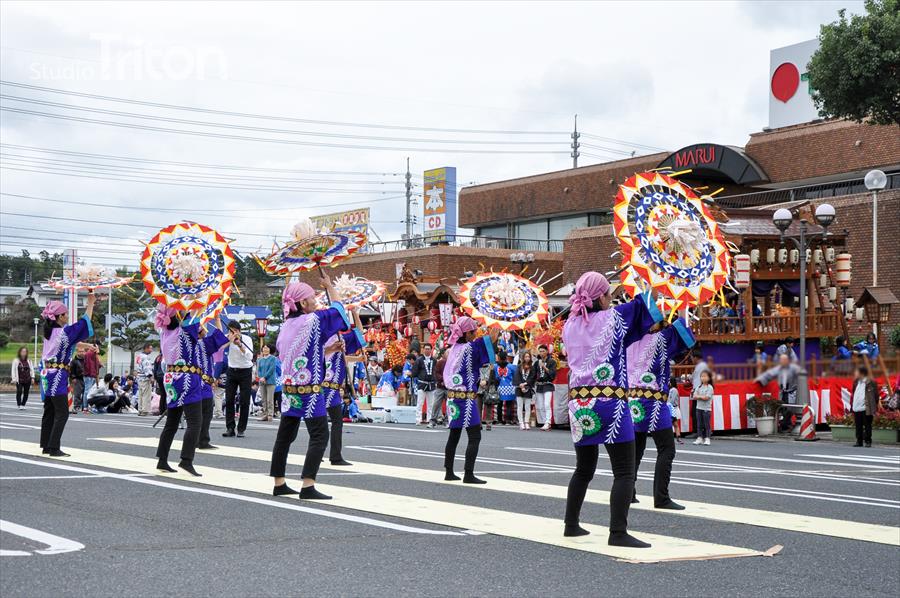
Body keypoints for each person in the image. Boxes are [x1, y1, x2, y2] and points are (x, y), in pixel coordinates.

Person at [561, 271, 662, 548]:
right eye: (609, 294)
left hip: (579, 405)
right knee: (624, 471)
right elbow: (651, 308)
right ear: (601, 296)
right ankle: (617, 532)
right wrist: (650, 275)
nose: (611, 299)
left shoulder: (569, 325)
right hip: (610, 403)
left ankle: (571, 524)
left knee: (583, 468)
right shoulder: (614, 318)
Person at [270, 278, 351, 500]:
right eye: (312, 298)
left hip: (290, 390)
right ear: (303, 303)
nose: (316, 302)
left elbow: (300, 353)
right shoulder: (312, 320)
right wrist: (330, 287)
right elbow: (339, 312)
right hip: (309, 391)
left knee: (285, 436)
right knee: (319, 435)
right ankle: (308, 484)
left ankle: (279, 482)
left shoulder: (286, 326)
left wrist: (328, 350)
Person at [628, 317, 695, 509]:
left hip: (633, 400)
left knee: (636, 449)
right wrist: (678, 319)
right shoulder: (660, 339)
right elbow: (688, 338)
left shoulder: (632, 340)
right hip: (653, 400)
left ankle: (629, 492)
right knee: (667, 448)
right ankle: (661, 497)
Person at [154, 305, 217, 477]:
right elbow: (194, 317)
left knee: (172, 422)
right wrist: (196, 301)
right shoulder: (185, 331)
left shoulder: (166, 333)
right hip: (187, 379)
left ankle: (162, 459)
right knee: (195, 422)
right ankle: (186, 460)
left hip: (172, 379)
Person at [38, 294, 97, 457]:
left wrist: (87, 346)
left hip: (46, 373)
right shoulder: (64, 333)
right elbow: (83, 324)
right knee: (62, 411)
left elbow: (71, 341)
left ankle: (46, 445)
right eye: (65, 314)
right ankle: (54, 447)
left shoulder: (50, 332)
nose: (68, 317)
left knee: (49, 409)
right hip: (57, 374)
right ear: (60, 317)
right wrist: (90, 303)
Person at [442, 317, 498, 484]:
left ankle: (449, 471)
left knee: (454, 435)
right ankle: (468, 474)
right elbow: (492, 338)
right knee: (475, 436)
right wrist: (497, 319)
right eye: (473, 332)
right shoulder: (470, 348)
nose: (475, 335)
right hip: (466, 399)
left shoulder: (454, 348)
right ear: (466, 333)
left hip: (452, 398)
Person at [322, 311, 366, 466]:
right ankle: (330, 455)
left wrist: (355, 311)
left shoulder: (341, 338)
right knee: (326, 422)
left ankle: (332, 455)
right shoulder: (323, 337)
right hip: (324, 385)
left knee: (333, 422)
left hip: (333, 387)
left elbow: (359, 333)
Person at [197, 319, 229, 451]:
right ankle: (202, 440)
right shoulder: (204, 344)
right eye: (204, 328)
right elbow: (219, 334)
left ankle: (195, 440)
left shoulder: (189, 343)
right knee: (206, 413)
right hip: (203, 384)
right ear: (200, 332)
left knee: (195, 415)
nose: (206, 330)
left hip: (191, 381)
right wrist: (217, 319)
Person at [755, 353, 804, 432]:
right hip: (783, 392)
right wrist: (761, 380)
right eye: (781, 360)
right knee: (782, 409)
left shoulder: (794, 368)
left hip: (792, 392)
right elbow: (769, 374)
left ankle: (785, 424)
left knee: (790, 409)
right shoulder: (779, 368)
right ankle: (785, 425)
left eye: (784, 360)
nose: (782, 361)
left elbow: (799, 376)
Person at [223, 321, 254, 438]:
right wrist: (230, 341)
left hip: (245, 371)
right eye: (230, 331)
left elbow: (250, 356)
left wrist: (239, 344)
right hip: (231, 371)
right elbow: (219, 348)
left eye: (234, 331)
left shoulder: (246, 339)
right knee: (229, 399)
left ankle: (241, 429)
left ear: (239, 331)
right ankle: (230, 428)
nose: (232, 333)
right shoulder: (227, 338)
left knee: (244, 401)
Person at [850, 366, 878, 447]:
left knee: (867, 425)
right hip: (856, 406)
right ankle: (859, 441)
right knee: (858, 425)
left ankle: (868, 441)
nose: (855, 374)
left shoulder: (870, 382)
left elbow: (876, 395)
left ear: (861, 373)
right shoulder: (856, 382)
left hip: (866, 407)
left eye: (856, 372)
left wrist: (873, 406)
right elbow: (854, 394)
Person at [411, 343, 437, 425]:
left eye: (428, 349)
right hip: (422, 383)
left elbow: (436, 371)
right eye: (425, 349)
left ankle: (429, 419)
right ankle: (418, 419)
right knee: (420, 403)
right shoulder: (419, 360)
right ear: (423, 350)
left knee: (431, 403)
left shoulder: (434, 360)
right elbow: (414, 372)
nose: (427, 350)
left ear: (431, 350)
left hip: (431, 384)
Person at [534, 345, 557, 430]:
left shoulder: (552, 362)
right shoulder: (537, 362)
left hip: (548, 384)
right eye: (540, 351)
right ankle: (545, 422)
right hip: (539, 385)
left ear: (547, 351)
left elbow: (553, 375)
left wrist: (544, 367)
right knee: (540, 406)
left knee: (547, 404)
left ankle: (548, 422)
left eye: (543, 351)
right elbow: (533, 374)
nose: (541, 353)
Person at [491, 352, 517, 426]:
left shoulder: (495, 366)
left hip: (500, 387)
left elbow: (493, 376)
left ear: (498, 358)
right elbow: (515, 376)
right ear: (506, 357)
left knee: (499, 404)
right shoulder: (512, 366)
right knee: (509, 404)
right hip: (509, 387)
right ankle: (508, 420)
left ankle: (499, 420)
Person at [513, 351, 536, 430]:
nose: (527, 358)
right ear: (523, 358)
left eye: (528, 357)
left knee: (527, 407)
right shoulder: (519, 366)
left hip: (528, 388)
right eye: (525, 357)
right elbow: (516, 377)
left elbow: (532, 378)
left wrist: (525, 384)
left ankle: (526, 422)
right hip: (519, 389)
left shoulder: (532, 367)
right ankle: (521, 422)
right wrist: (520, 385)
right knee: (520, 406)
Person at [256, 344, 279, 422]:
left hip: (270, 381)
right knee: (263, 399)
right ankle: (265, 414)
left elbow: (271, 369)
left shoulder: (273, 358)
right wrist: (261, 377)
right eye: (264, 348)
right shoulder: (259, 360)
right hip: (262, 381)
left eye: (267, 348)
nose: (265, 349)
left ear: (270, 350)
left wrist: (265, 377)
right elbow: (258, 370)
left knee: (270, 399)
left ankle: (270, 415)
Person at [692, 370, 714, 445]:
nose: (703, 378)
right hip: (699, 408)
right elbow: (694, 396)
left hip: (706, 409)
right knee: (699, 424)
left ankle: (707, 438)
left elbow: (707, 398)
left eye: (705, 376)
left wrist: (698, 396)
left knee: (706, 424)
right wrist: (700, 397)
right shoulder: (698, 387)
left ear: (709, 378)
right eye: (702, 376)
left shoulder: (710, 387)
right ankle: (700, 438)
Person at [135, 343, 155, 416]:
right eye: (150, 348)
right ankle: (145, 410)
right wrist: (150, 377)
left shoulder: (139, 356)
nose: (151, 350)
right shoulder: (145, 357)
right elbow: (147, 368)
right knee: (146, 395)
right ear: (146, 348)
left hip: (139, 377)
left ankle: (140, 410)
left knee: (141, 394)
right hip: (145, 377)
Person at [430, 349, 447, 428]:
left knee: (450, 405)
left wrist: (447, 381)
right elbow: (436, 373)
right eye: (447, 353)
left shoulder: (453, 363)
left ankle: (447, 420)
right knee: (436, 404)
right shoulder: (440, 362)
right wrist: (442, 380)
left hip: (449, 387)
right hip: (440, 386)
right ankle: (433, 420)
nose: (449, 355)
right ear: (443, 354)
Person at [82, 343, 101, 413]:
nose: (97, 349)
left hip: (91, 374)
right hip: (89, 375)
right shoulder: (90, 354)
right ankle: (85, 407)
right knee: (87, 391)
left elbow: (97, 364)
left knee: (89, 391)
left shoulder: (93, 354)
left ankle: (86, 407)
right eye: (96, 347)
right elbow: (88, 365)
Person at [69, 346, 86, 414]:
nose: (82, 353)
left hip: (86, 378)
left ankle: (84, 406)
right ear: (77, 352)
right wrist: (73, 378)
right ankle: (77, 406)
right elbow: (71, 370)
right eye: (80, 351)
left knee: (85, 393)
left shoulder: (86, 359)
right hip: (78, 378)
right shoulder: (74, 361)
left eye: (83, 351)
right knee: (77, 393)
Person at [668, 376, 684, 444]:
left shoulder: (673, 390)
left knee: (674, 424)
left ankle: (676, 438)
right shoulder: (671, 389)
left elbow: (671, 400)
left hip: (672, 408)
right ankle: (678, 437)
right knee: (675, 424)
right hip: (671, 408)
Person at [152, 350, 166, 416]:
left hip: (159, 377)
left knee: (162, 394)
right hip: (165, 376)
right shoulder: (166, 356)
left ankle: (161, 410)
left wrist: (155, 377)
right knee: (167, 394)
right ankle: (166, 410)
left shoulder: (158, 357)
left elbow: (155, 369)